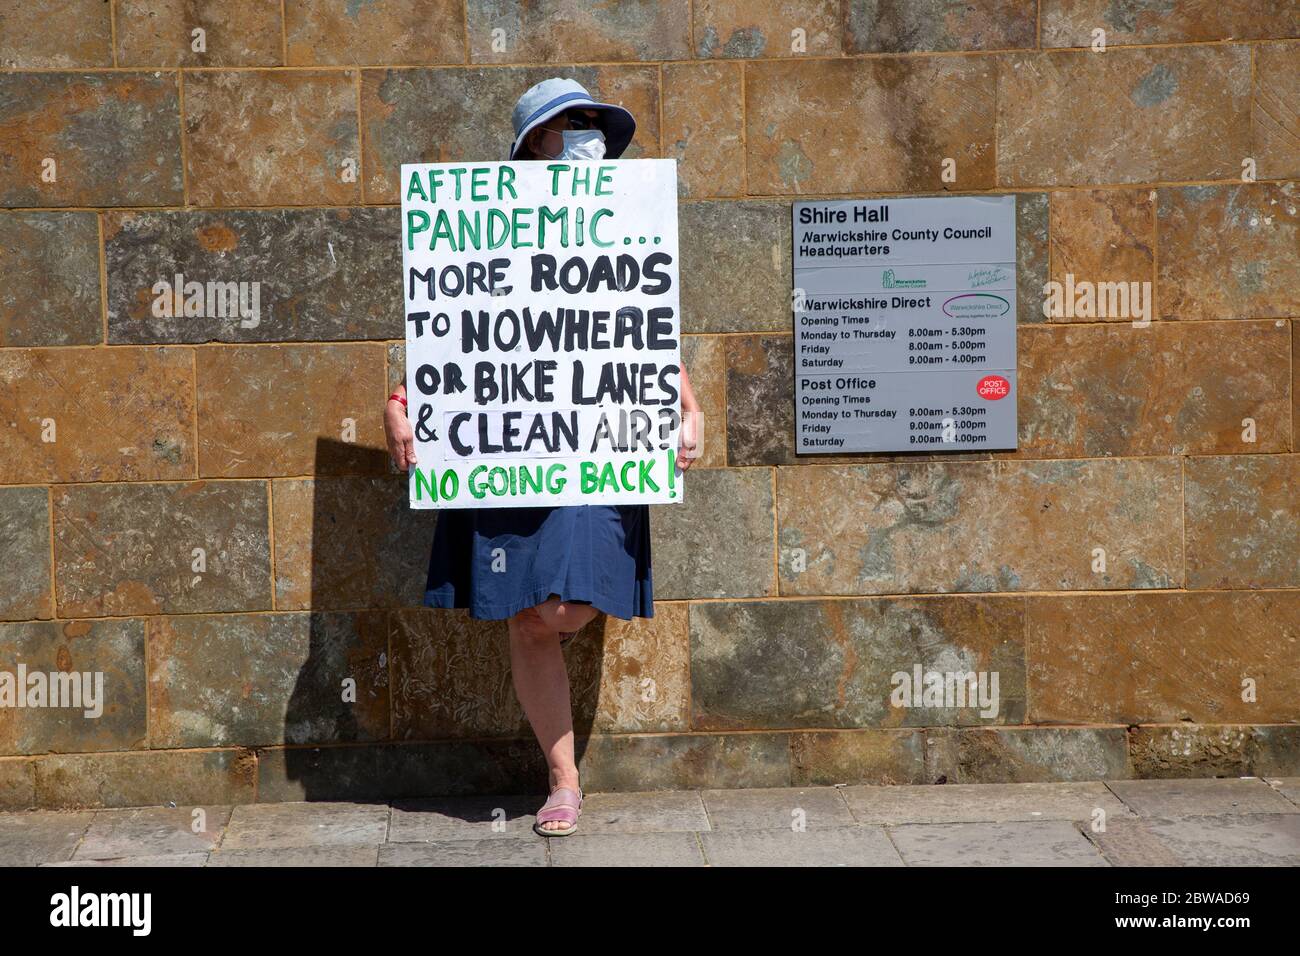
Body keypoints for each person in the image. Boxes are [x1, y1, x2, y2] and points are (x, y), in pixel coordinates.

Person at [384, 78, 701, 837]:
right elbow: (452, 339)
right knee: (528, 620)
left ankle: (562, 773)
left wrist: (691, 413)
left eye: (596, 122)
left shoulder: (622, 229)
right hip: (507, 454)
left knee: (565, 607)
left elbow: (638, 339)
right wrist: (394, 410)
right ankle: (563, 781)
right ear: (531, 145)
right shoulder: (486, 232)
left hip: (592, 455)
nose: (589, 133)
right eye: (571, 123)